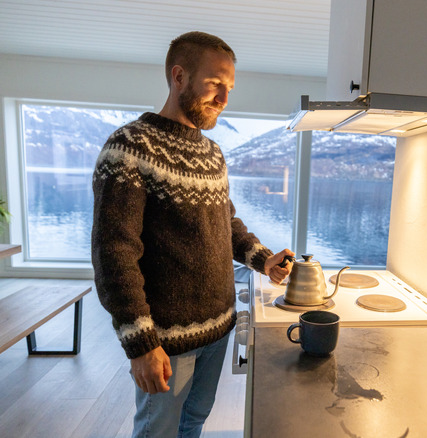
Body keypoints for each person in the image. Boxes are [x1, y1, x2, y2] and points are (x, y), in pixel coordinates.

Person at [91, 31, 294, 438]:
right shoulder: (130, 147)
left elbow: (226, 225)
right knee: (157, 433)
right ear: (179, 77)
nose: (223, 98)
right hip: (165, 341)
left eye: (229, 88)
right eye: (215, 84)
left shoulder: (212, 153)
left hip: (219, 326)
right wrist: (141, 343)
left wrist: (263, 259)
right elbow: (114, 253)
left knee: (195, 423)